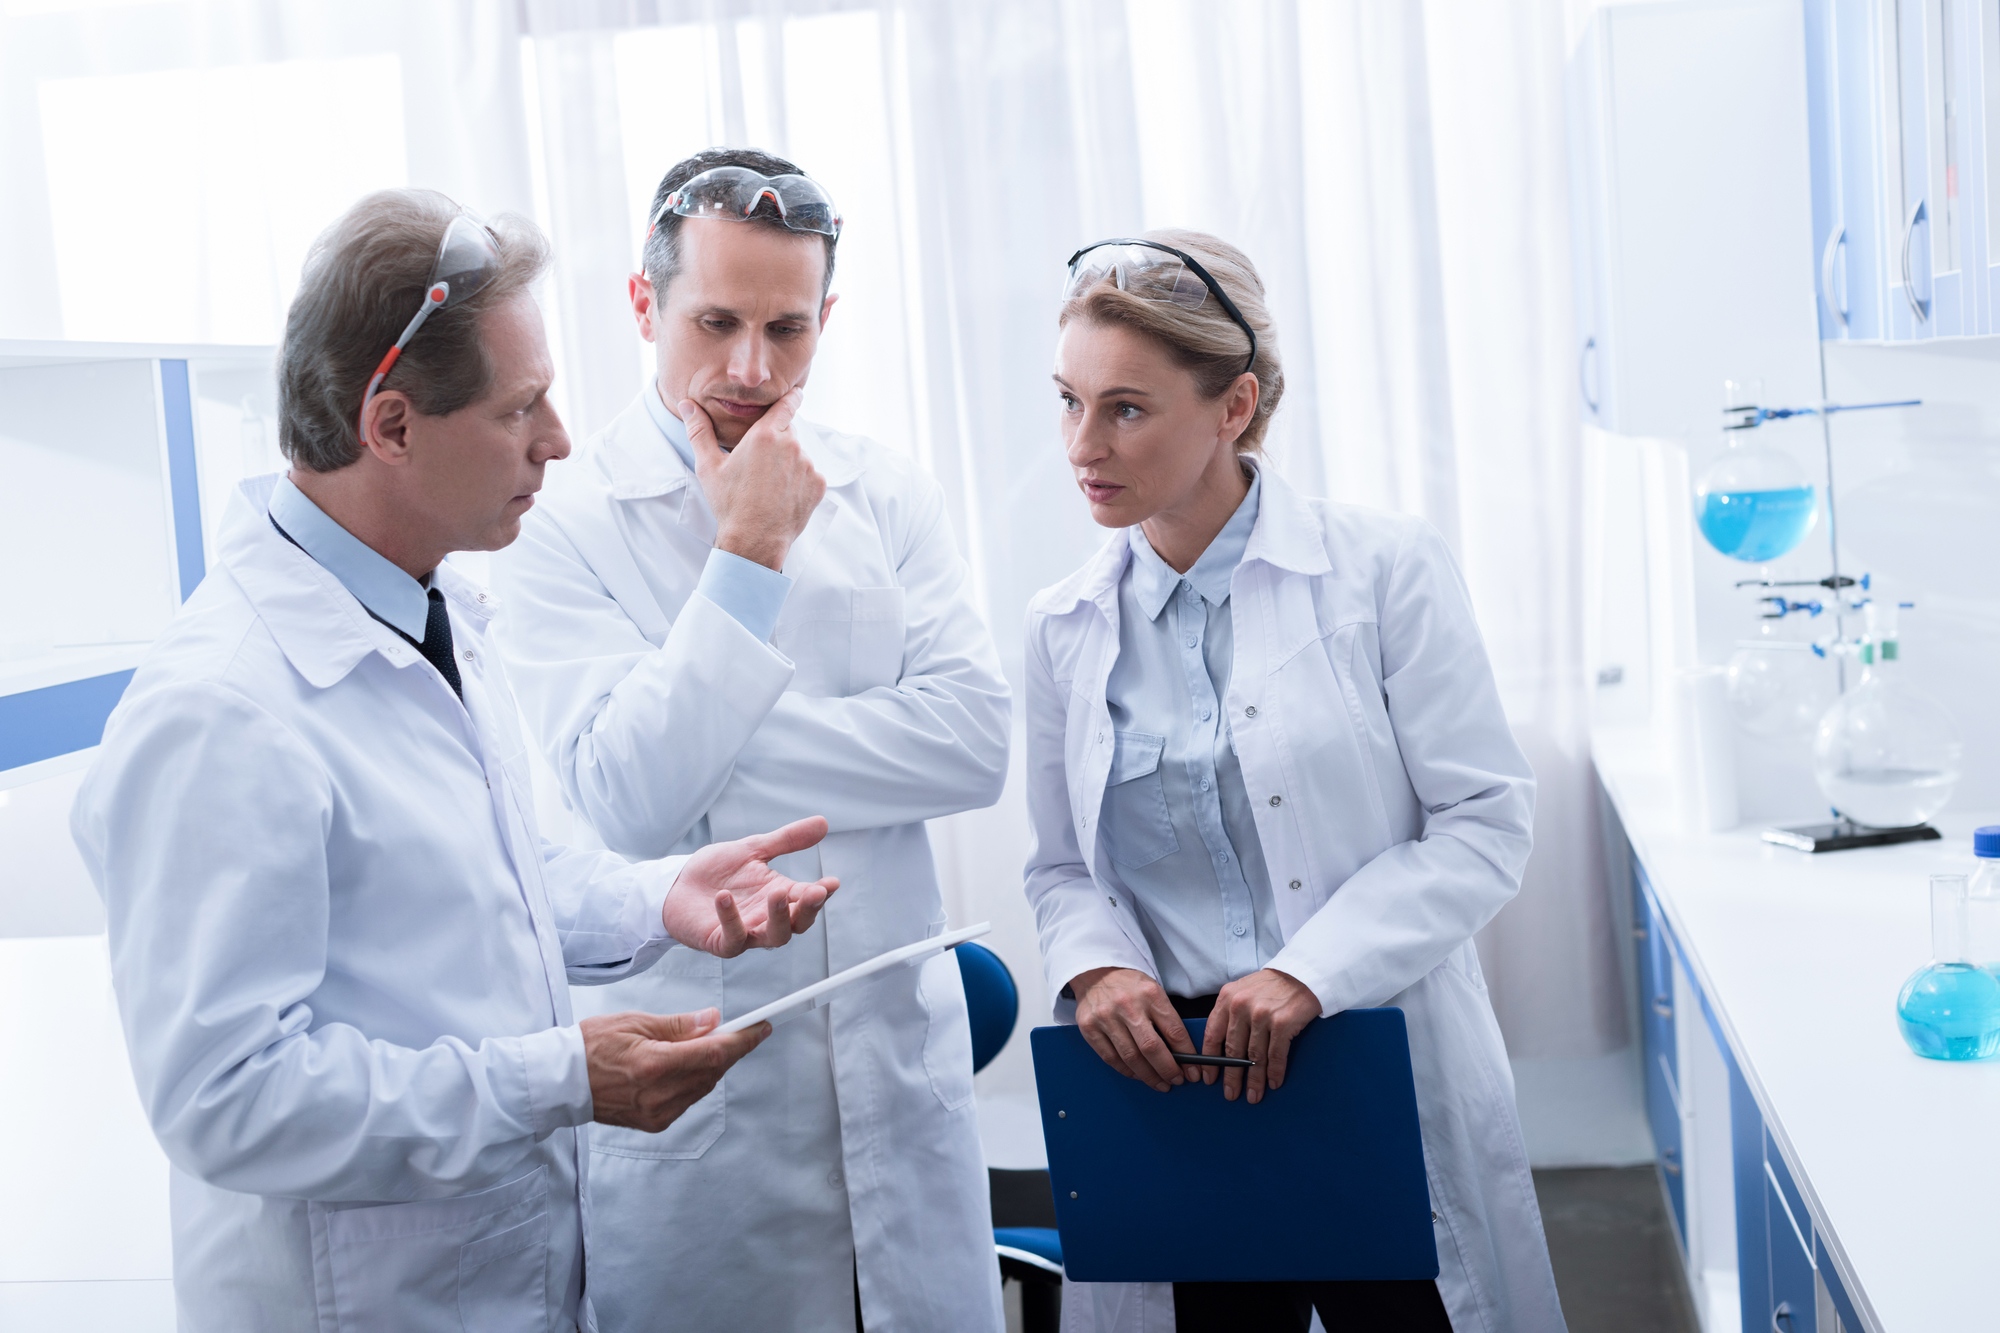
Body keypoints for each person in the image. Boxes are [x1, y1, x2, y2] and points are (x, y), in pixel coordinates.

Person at [69, 189, 843, 1332]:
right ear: (389, 426)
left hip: (496, 1275)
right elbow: (224, 1101)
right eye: (519, 408)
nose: (559, 440)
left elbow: (481, 879)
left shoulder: (424, 610)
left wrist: (653, 894)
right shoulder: (222, 710)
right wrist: (560, 1078)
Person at [492, 148, 1010, 1331]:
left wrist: (707, 738)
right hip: (705, 1139)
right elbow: (624, 797)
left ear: (828, 315)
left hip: (896, 1094)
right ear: (641, 303)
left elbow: (972, 743)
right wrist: (752, 553)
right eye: (714, 321)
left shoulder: (886, 490)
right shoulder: (555, 521)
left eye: (788, 328)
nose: (749, 369)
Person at [1021, 231, 1568, 1332]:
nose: (1084, 444)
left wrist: (1306, 973)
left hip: (1360, 1054)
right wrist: (1094, 971)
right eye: (1068, 401)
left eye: (1125, 408)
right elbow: (1061, 865)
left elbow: (1481, 823)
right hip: (1174, 1087)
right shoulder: (1061, 626)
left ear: (1233, 407)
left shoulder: (1383, 572)